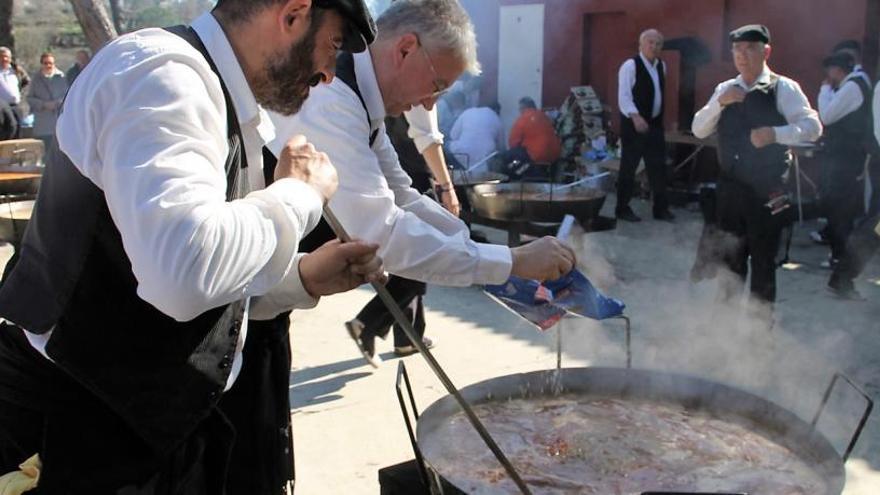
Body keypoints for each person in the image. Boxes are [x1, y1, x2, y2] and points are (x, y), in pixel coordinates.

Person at [0, 1, 383, 494]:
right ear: (293, 14)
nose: (330, 74)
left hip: (148, 429)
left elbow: (208, 271)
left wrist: (300, 277)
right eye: (333, 45)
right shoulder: (162, 71)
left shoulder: (227, 104)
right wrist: (301, 193)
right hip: (78, 433)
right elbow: (181, 274)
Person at [269, 0, 575, 366]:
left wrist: (468, 241)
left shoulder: (364, 103)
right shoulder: (333, 99)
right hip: (237, 298)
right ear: (405, 49)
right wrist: (510, 260)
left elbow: (404, 197)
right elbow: (382, 233)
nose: (430, 104)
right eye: (436, 85)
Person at [692, 24, 821, 323]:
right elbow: (699, 128)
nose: (742, 55)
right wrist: (719, 103)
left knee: (763, 262)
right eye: (737, 49)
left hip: (767, 190)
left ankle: (760, 332)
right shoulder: (725, 89)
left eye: (750, 48)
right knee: (729, 260)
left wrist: (776, 134)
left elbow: (813, 127)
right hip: (731, 189)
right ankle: (725, 325)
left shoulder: (783, 88)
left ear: (766, 51)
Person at [816, 52, 872, 269]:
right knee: (840, 207)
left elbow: (827, 115)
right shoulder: (858, 83)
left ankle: (841, 258)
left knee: (840, 209)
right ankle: (839, 255)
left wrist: (824, 90)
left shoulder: (851, 87)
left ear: (836, 70)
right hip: (846, 157)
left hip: (845, 158)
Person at [616, 28, 673, 222]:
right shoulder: (630, 66)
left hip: (655, 125)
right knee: (628, 168)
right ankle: (622, 208)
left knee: (658, 167)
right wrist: (635, 116)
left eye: (658, 44)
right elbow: (624, 96)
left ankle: (660, 209)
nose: (654, 47)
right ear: (641, 44)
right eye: (651, 42)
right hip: (633, 124)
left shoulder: (661, 66)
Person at [505, 96, 562, 179]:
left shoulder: (522, 119)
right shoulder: (545, 117)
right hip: (554, 157)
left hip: (536, 157)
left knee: (509, 157)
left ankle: (518, 177)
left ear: (522, 108)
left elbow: (512, 143)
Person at [27, 52, 68, 150]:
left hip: (58, 121)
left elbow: (67, 96)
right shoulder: (36, 79)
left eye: (51, 63)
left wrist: (57, 103)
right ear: (41, 64)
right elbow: (29, 98)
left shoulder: (62, 77)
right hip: (42, 123)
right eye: (46, 63)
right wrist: (43, 105)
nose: (49, 65)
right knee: (44, 152)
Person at [447, 101, 504, 169]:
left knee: (446, 145)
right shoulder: (497, 119)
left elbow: (453, 136)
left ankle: (450, 173)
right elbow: (501, 147)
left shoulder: (467, 112)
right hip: (484, 160)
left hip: (461, 153)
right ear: (497, 110)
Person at [0, 47, 27, 137]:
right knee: (10, 129)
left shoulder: (15, 70)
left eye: (7, 57)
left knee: (19, 130)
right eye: (2, 56)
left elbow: (26, 80)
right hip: (3, 108)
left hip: (16, 106)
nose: (4, 59)